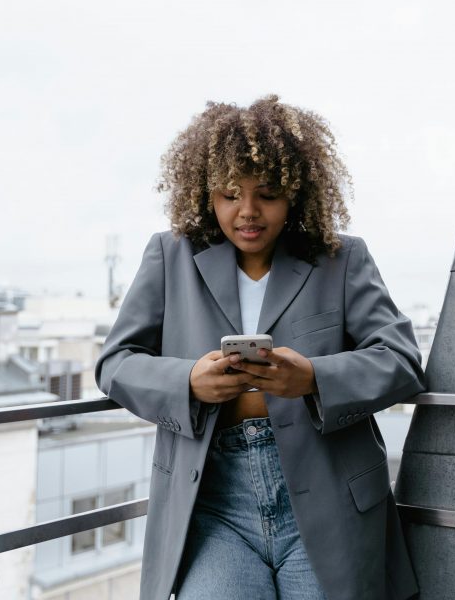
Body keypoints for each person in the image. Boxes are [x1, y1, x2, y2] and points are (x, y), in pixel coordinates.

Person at [95, 95, 426, 600]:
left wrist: (313, 378)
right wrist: (187, 381)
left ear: (296, 193)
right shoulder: (170, 255)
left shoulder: (342, 258)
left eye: (267, 194)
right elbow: (115, 363)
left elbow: (401, 360)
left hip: (327, 501)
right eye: (230, 194)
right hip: (212, 502)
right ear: (206, 193)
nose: (247, 211)